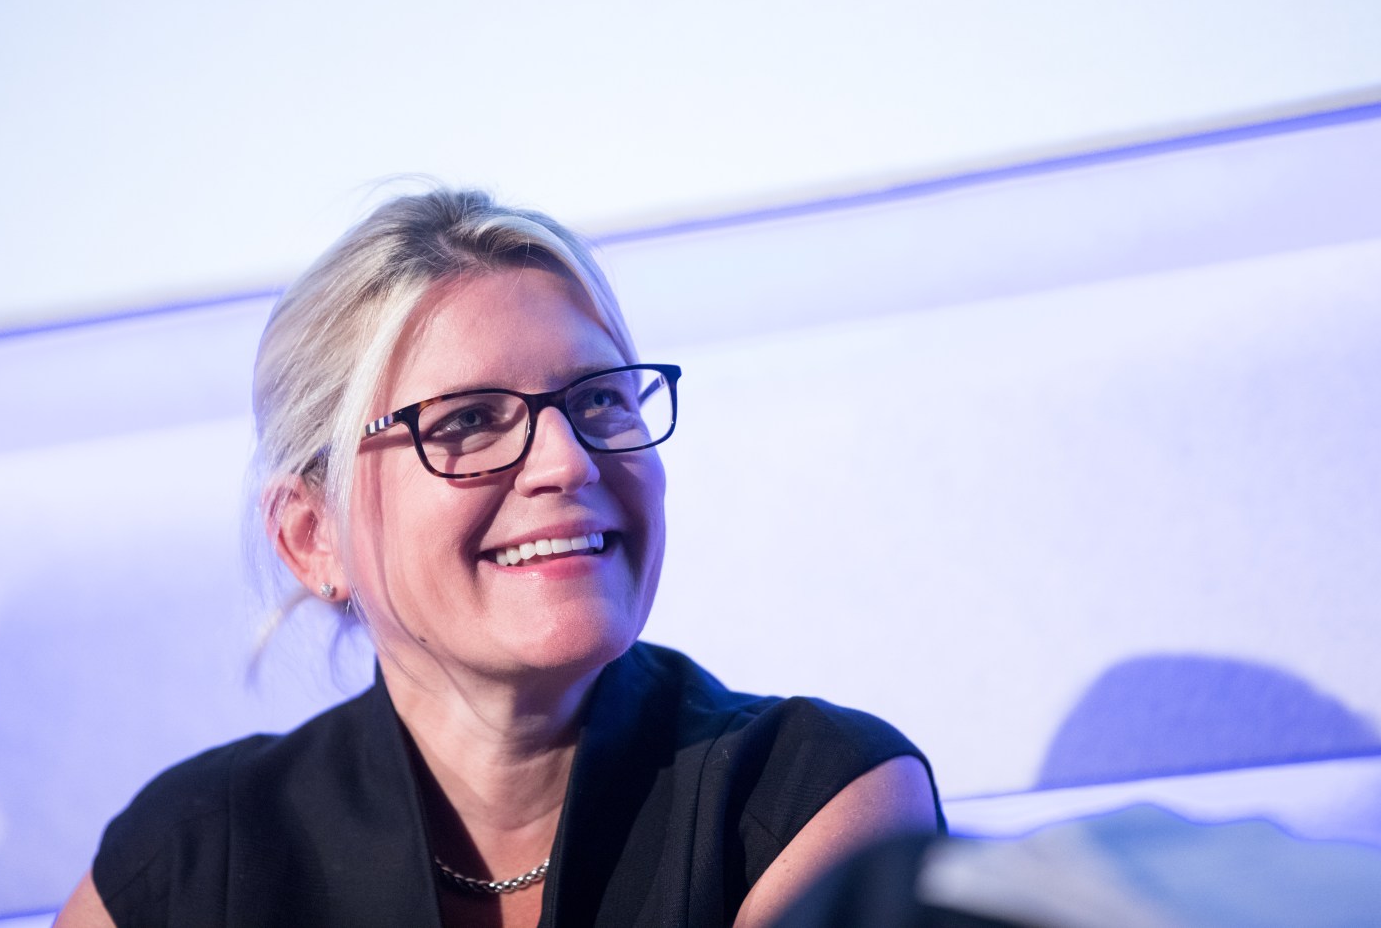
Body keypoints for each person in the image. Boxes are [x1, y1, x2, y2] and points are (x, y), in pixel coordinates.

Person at [55, 188, 943, 928]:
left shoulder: (815, 796)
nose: (567, 460)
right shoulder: (180, 864)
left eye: (600, 399)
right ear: (310, 535)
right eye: (467, 420)